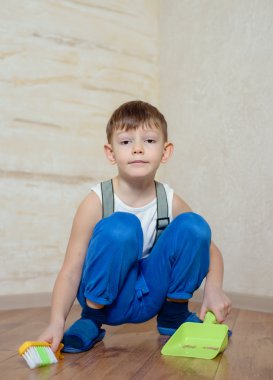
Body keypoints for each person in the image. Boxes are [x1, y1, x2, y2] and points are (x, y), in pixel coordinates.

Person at [38, 100, 231, 353]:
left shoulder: (169, 200)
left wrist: (213, 289)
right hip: (108, 301)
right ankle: (91, 321)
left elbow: (210, 249)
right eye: (126, 142)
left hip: (152, 295)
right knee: (122, 227)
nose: (138, 149)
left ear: (165, 151)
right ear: (111, 152)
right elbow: (71, 270)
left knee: (195, 226)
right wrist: (56, 322)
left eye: (149, 141)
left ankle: (174, 316)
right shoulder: (96, 201)